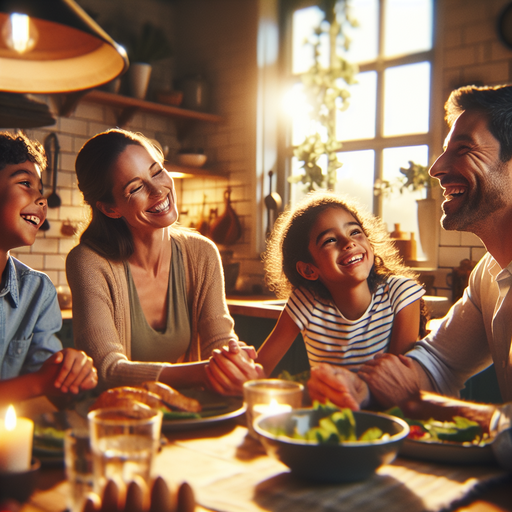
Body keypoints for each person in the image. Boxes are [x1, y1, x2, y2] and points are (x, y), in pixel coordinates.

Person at [307, 84, 512, 415]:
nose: (437, 168)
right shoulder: (488, 275)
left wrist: (422, 402)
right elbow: (439, 361)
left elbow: (420, 390)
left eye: (463, 149)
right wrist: (362, 389)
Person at [66, 129, 259, 392]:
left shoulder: (203, 253)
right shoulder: (89, 262)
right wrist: (205, 371)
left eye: (156, 172)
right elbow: (106, 369)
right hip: (118, 421)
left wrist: (232, 360)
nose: (158, 190)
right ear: (110, 208)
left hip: (188, 413)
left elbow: (220, 340)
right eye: (135, 187)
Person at [207, 192, 426, 394]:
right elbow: (260, 370)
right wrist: (240, 371)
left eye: (355, 232)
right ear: (309, 270)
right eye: (330, 240)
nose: (348, 242)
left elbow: (399, 386)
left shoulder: (401, 294)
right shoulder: (306, 302)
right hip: (326, 416)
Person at [0, 131, 97, 408]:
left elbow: (49, 393)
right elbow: (39, 383)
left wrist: (69, 372)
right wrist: (40, 382)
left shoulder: (38, 291)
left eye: (40, 189)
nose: (41, 199)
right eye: (25, 183)